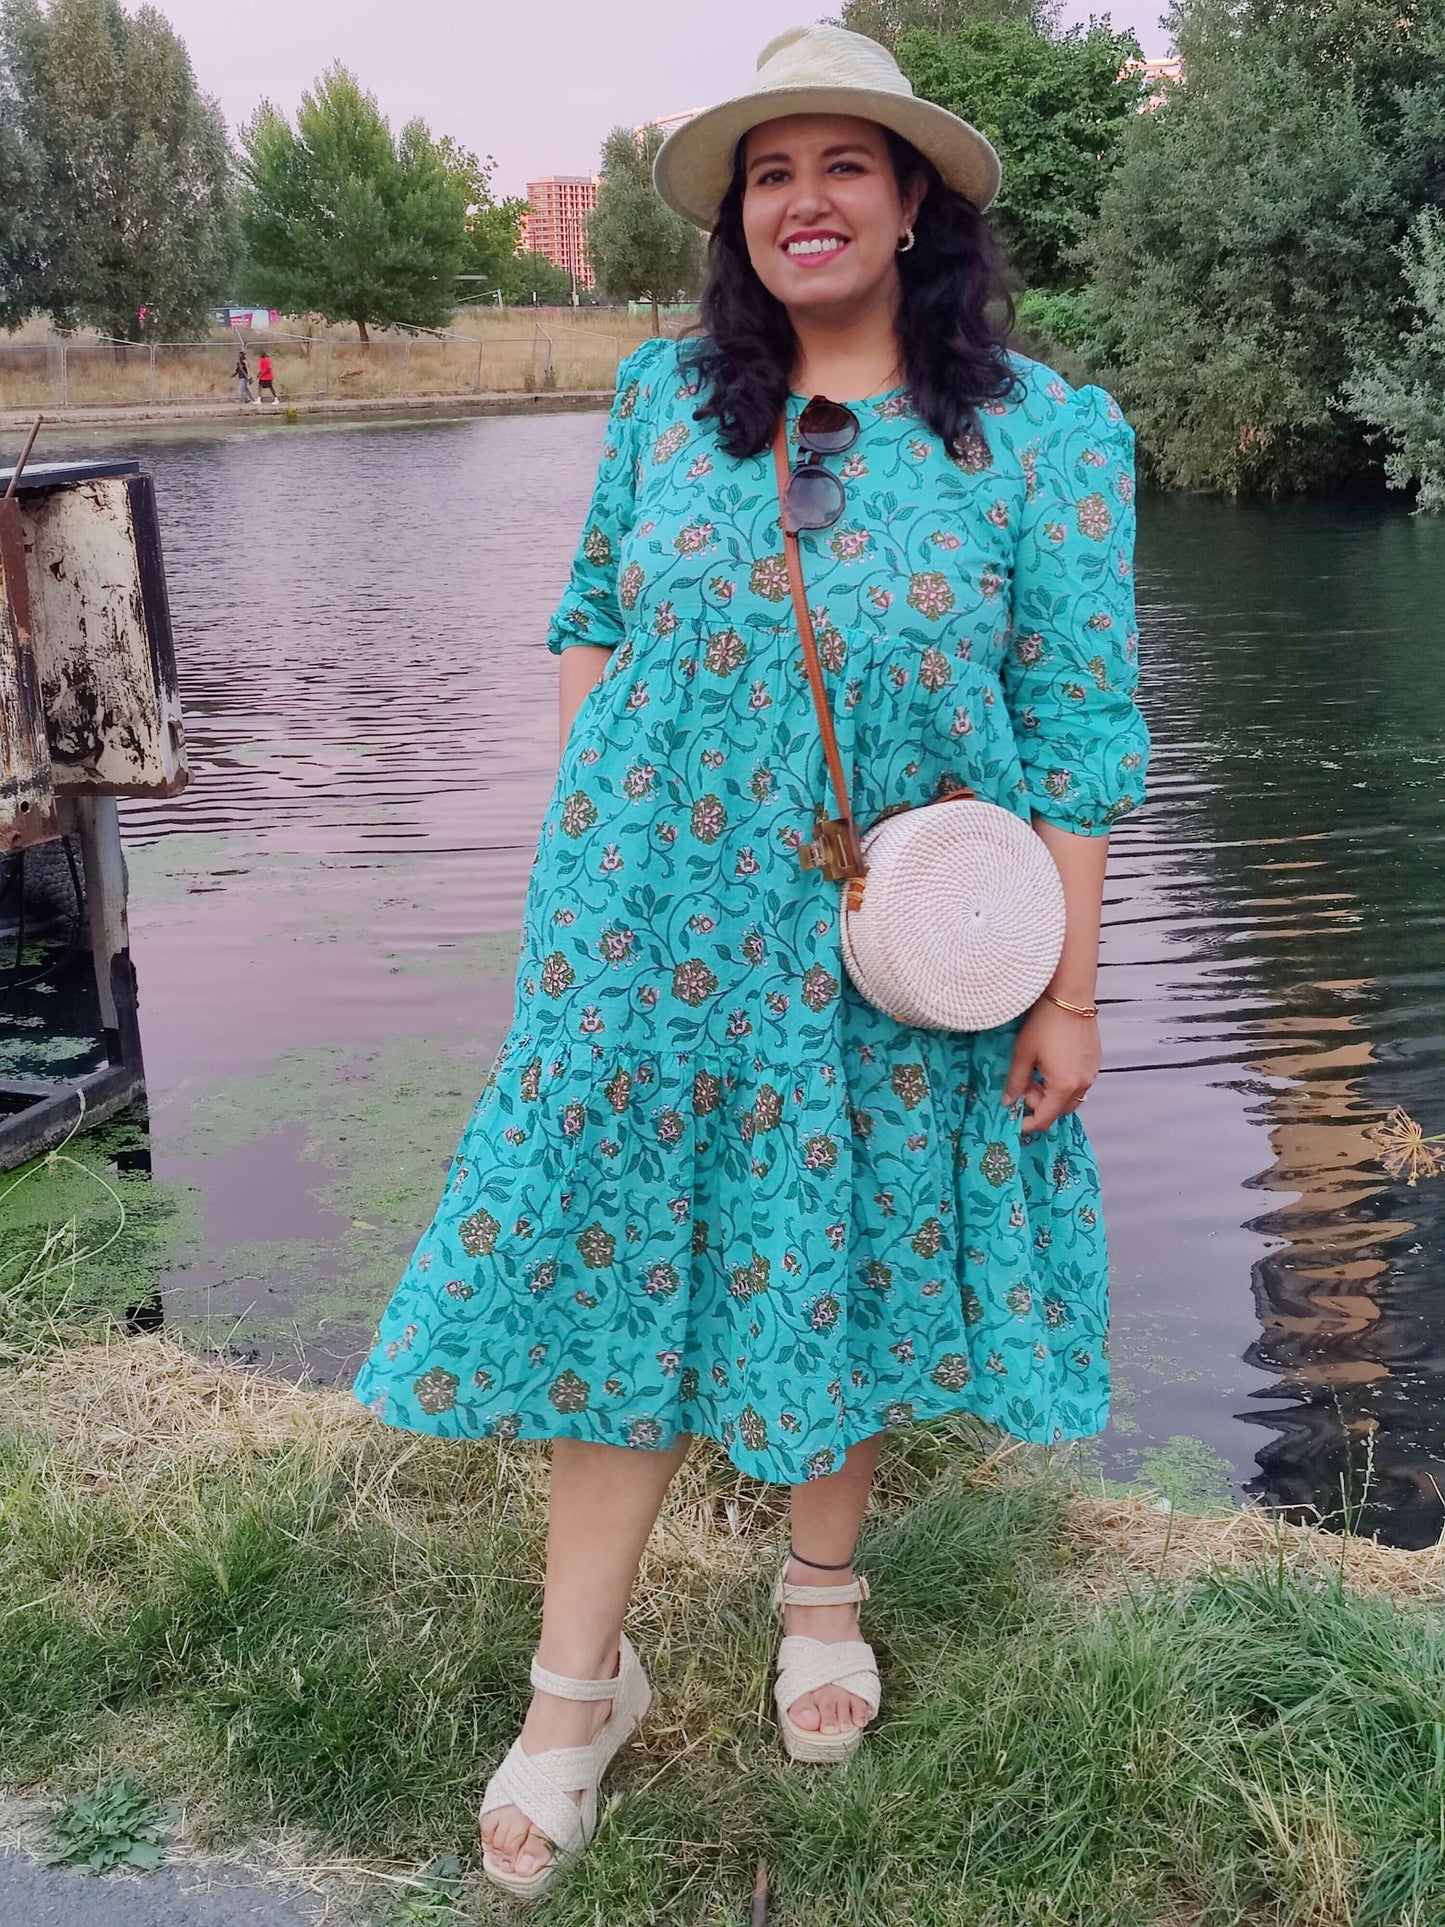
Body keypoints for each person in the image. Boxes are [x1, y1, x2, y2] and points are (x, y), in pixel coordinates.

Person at [353, 20, 1150, 1899]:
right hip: (648, 936)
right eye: (768, 172)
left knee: (844, 1240)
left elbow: (1085, 723)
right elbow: (589, 618)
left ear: (913, 203)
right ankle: (576, 1693)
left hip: (890, 938)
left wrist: (1071, 985)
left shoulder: (1041, 434)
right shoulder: (661, 399)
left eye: (843, 165)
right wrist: (601, 843)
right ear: (738, 219)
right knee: (610, 1295)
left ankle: (820, 1600)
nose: (805, 200)